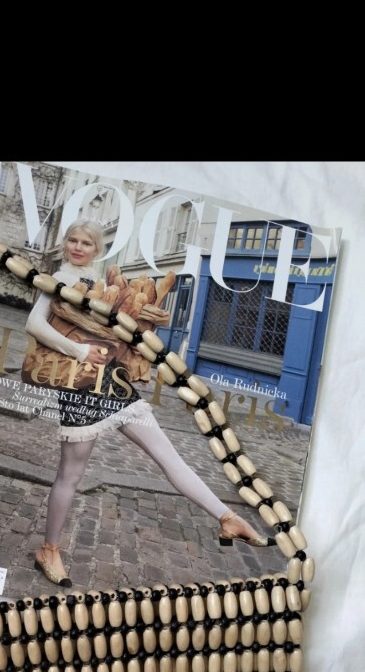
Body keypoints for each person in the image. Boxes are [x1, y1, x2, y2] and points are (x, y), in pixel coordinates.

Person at [26, 219, 272, 586]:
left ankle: (227, 519)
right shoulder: (56, 278)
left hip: (115, 382)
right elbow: (34, 324)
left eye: (86, 243)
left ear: (97, 249)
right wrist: (79, 350)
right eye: (73, 240)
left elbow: (118, 332)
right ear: (66, 244)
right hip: (79, 384)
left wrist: (144, 324)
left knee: (167, 454)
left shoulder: (106, 283)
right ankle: (49, 550)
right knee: (71, 474)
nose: (78, 247)